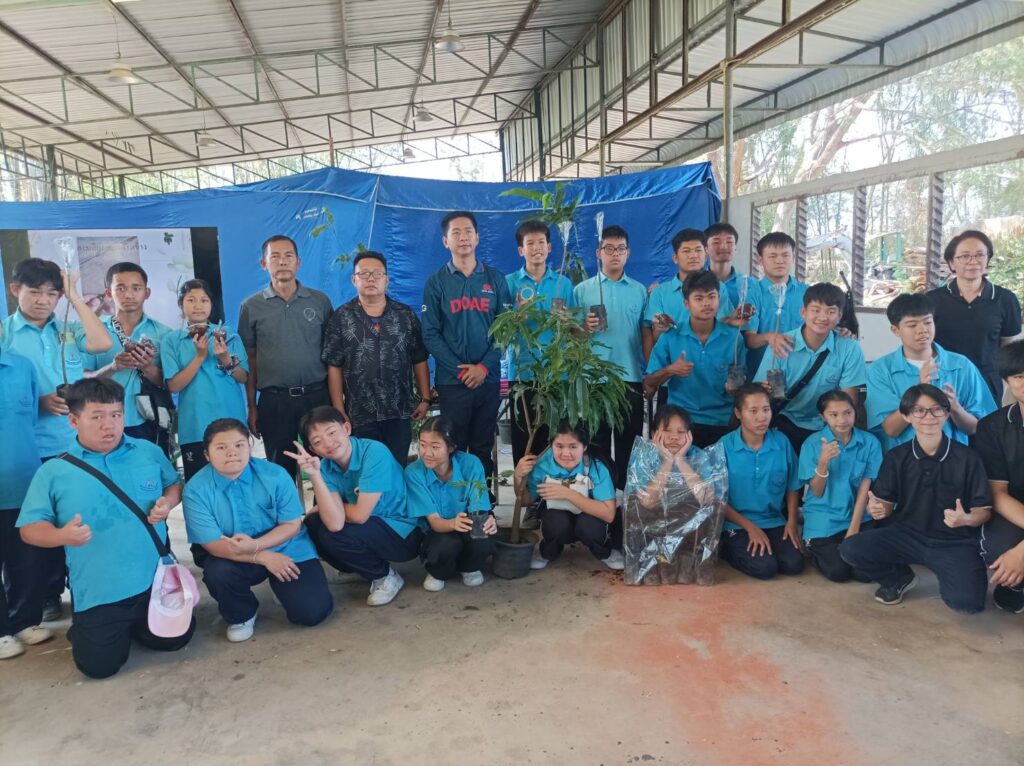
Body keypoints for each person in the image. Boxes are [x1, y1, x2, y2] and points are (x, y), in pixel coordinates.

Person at [18, 378, 194, 679]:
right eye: (97, 416)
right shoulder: (54, 472)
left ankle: (138, 624)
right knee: (99, 667)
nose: (109, 425)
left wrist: (167, 502)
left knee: (175, 641)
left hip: (155, 582)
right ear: (74, 421)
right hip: (100, 591)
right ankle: (92, 625)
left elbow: (173, 485)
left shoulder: (147, 452)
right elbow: (29, 529)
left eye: (116, 415)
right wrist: (61, 536)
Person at [3, 257, 112, 621]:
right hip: (29, 450)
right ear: (15, 290)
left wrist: (74, 296)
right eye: (35, 292)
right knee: (38, 525)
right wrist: (37, 402)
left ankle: (85, 589)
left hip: (74, 444)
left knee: (79, 516)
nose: (43, 301)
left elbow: (101, 342)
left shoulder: (66, 328)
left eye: (52, 294)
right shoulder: (5, 334)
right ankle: (47, 594)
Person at [839, 385, 991, 612]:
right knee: (851, 548)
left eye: (936, 409)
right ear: (907, 416)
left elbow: (984, 511)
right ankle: (898, 578)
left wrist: (966, 519)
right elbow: (885, 504)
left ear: (946, 414)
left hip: (954, 542)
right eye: (919, 411)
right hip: (906, 535)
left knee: (968, 605)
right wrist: (878, 509)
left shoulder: (968, 458)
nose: (928, 417)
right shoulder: (897, 457)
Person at [182, 419, 333, 642]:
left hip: (287, 548)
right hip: (235, 554)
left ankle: (283, 588)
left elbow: (291, 525)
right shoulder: (196, 490)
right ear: (206, 454)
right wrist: (261, 556)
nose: (232, 453)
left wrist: (256, 546)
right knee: (218, 572)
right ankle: (242, 614)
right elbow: (212, 544)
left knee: (312, 613)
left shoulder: (275, 475)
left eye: (239, 445)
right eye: (221, 447)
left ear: (250, 446)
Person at [289, 406, 421, 607]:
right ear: (313, 450)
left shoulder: (374, 453)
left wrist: (329, 507)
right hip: (371, 527)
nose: (328, 443)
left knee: (333, 533)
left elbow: (359, 515)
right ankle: (358, 569)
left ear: (347, 428)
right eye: (318, 442)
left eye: (331, 433)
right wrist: (314, 475)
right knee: (314, 523)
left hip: (404, 532)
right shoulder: (325, 467)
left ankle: (385, 576)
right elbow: (334, 523)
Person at [421, 211, 512, 487]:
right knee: (453, 445)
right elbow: (430, 334)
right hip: (452, 382)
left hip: (488, 378)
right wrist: (461, 371)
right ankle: (456, 501)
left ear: (477, 238)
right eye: (456, 233)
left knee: (483, 445)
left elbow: (506, 329)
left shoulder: (495, 279)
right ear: (445, 241)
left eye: (468, 232)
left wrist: (483, 367)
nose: (463, 238)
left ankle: (483, 501)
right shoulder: (436, 282)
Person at [322, 250, 431, 466]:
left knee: (397, 467)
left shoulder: (405, 315)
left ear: (386, 280)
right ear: (354, 280)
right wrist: (339, 409)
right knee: (367, 470)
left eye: (377, 274)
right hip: (359, 413)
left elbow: (419, 358)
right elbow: (334, 365)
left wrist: (425, 398)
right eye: (364, 274)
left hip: (399, 411)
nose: (371, 279)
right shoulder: (341, 318)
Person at [238, 235, 332, 478]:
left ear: (298, 262)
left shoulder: (320, 301)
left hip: (317, 396)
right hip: (275, 401)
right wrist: (252, 407)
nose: (282, 262)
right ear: (264, 264)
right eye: (275, 257)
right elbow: (250, 360)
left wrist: (337, 402)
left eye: (288, 256)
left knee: (326, 468)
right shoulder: (251, 307)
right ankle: (287, 506)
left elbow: (334, 357)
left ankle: (325, 505)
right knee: (280, 471)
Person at [866, 293, 995, 452]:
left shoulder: (961, 366)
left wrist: (955, 408)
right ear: (896, 330)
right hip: (903, 461)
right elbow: (891, 430)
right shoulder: (881, 370)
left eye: (927, 322)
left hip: (953, 459)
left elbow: (977, 428)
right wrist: (917, 394)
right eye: (912, 325)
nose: (922, 330)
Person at [573, 225, 647, 489]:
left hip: (630, 378)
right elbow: (571, 336)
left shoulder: (639, 291)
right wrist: (585, 327)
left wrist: (650, 373)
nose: (615, 254)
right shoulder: (582, 291)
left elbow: (646, 334)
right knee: (597, 444)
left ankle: (626, 500)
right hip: (594, 380)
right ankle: (602, 499)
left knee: (630, 444)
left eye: (620, 249)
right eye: (609, 248)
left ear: (628, 253)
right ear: (598, 253)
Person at [754, 282, 868, 452]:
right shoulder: (782, 343)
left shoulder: (849, 348)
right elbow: (758, 392)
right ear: (803, 312)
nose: (823, 317)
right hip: (784, 421)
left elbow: (847, 401)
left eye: (831, 311)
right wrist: (765, 389)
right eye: (816, 310)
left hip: (827, 425)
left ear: (839, 315)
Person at [644, 272, 745, 448]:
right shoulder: (671, 336)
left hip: (723, 422)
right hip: (681, 423)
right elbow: (649, 383)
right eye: (699, 298)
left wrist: (735, 388)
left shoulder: (734, 338)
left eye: (711, 297)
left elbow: (741, 384)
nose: (706, 303)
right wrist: (670, 370)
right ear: (686, 303)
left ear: (719, 299)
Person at [161, 279, 248, 481]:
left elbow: (243, 377)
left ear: (211, 304)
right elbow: (174, 385)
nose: (198, 305)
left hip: (231, 419)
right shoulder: (172, 340)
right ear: (181, 305)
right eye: (191, 300)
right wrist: (200, 357)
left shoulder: (227, 334)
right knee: (199, 483)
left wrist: (226, 360)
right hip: (194, 425)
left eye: (204, 300)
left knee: (238, 481)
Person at [505, 220, 575, 465]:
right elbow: (500, 331)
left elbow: (573, 330)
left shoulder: (563, 283)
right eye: (530, 243)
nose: (537, 248)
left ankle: (551, 488)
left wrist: (568, 322)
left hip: (556, 374)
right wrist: (516, 318)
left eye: (541, 242)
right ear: (520, 250)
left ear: (550, 247)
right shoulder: (509, 283)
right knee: (523, 439)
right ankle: (524, 488)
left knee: (553, 438)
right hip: (522, 372)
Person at [716, 384, 804, 580]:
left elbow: (792, 485)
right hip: (736, 523)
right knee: (765, 568)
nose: (762, 417)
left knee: (794, 564)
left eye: (766, 409)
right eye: (753, 411)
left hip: (773, 520)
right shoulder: (724, 446)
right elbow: (716, 498)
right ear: (738, 413)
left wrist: (791, 522)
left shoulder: (781, 442)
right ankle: (726, 547)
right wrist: (750, 527)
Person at [86, 262, 174, 451]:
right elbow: (82, 378)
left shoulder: (164, 334)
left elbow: (171, 383)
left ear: (147, 293)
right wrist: (112, 368)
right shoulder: (93, 331)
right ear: (109, 293)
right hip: (103, 420)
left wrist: (147, 367)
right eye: (121, 288)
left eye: (136, 288)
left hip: (149, 419)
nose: (129, 295)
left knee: (150, 466)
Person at [927, 230, 1022, 402]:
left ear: (988, 260)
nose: (973, 261)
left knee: (987, 420)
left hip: (987, 381)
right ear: (951, 263)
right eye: (965, 256)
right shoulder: (932, 300)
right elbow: (925, 344)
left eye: (979, 255)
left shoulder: (1005, 299)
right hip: (943, 380)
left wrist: (1003, 381)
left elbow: (1008, 348)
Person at [797, 390, 882, 583]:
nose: (842, 420)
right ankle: (813, 548)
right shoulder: (812, 444)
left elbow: (865, 487)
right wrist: (823, 462)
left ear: (855, 412)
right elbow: (817, 491)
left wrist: (853, 530)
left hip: (859, 516)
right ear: (823, 417)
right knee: (838, 572)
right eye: (833, 415)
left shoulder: (870, 442)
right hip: (824, 518)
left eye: (847, 413)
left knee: (864, 573)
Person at [0, 343, 51, 659]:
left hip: (22, 479)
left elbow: (31, 416)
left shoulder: (22, 366)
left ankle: (24, 620)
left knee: (25, 556)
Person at [405, 416, 496, 592]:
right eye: (422, 445)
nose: (427, 453)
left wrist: (488, 520)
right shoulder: (413, 473)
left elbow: (479, 508)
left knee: (483, 536)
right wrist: (453, 523)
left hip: (466, 524)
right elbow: (434, 522)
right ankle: (438, 572)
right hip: (436, 531)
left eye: (435, 447)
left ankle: (469, 567)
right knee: (444, 545)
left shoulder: (471, 464)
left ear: (451, 447)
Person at [514, 423, 622, 571]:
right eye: (559, 446)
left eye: (573, 447)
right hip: (558, 515)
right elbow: (526, 501)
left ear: (584, 447)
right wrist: (517, 477)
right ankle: (548, 551)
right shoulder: (542, 464)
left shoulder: (596, 466)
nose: (565, 454)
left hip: (589, 517)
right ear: (551, 445)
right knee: (555, 522)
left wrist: (567, 493)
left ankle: (605, 551)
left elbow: (609, 514)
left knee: (589, 526)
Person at [642, 228, 744, 362]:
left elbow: (723, 324)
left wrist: (731, 320)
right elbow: (648, 332)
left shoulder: (719, 288)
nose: (693, 256)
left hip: (711, 365)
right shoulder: (659, 292)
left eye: (698, 250)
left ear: (706, 255)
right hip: (671, 367)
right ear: (675, 258)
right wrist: (653, 370)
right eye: (686, 251)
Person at [974, 341, 1024, 613]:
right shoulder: (992, 427)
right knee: (1000, 546)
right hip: (1014, 509)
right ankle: (1016, 586)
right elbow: (997, 493)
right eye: (1018, 376)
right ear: (1007, 381)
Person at [743, 232, 809, 376]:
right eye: (772, 256)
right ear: (760, 260)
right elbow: (749, 339)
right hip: (762, 374)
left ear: (793, 257)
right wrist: (769, 337)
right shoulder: (753, 294)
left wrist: (840, 330)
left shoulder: (807, 293)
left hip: (800, 372)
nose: (779, 261)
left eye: (785, 255)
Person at [705, 222, 745, 307]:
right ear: (706, 249)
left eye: (729, 242)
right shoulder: (695, 284)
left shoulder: (749, 284)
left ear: (735, 248)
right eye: (716, 242)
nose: (723, 247)